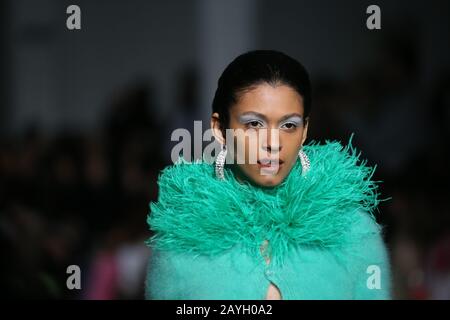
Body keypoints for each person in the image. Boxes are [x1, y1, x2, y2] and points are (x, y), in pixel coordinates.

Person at [145, 50, 391, 299]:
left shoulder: (350, 228)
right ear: (220, 129)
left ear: (305, 131)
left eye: (289, 125)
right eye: (254, 124)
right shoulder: (183, 239)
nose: (273, 142)